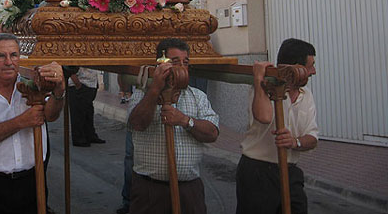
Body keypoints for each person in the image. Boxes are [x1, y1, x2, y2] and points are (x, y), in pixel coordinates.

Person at [0, 33, 66, 214]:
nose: (9, 62)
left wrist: (59, 91)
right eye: (1, 56)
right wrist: (21, 122)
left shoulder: (30, 84)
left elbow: (51, 115)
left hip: (32, 181)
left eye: (14, 55)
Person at [128, 38, 219, 214]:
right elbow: (137, 124)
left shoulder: (197, 96)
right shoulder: (142, 93)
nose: (182, 68)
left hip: (188, 189)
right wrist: (155, 90)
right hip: (151, 191)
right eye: (175, 63)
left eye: (185, 63)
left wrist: (185, 121)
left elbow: (212, 133)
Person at [236, 38, 318, 214]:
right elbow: (264, 117)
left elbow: (312, 138)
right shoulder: (263, 87)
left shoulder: (307, 95)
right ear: (296, 68)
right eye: (310, 66)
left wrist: (295, 142)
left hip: (290, 172)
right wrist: (258, 77)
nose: (313, 71)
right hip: (258, 172)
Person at [68, 67, 105, 147]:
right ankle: (79, 138)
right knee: (78, 114)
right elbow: (69, 69)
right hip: (80, 84)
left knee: (88, 112)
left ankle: (90, 135)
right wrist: (78, 85)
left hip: (90, 84)